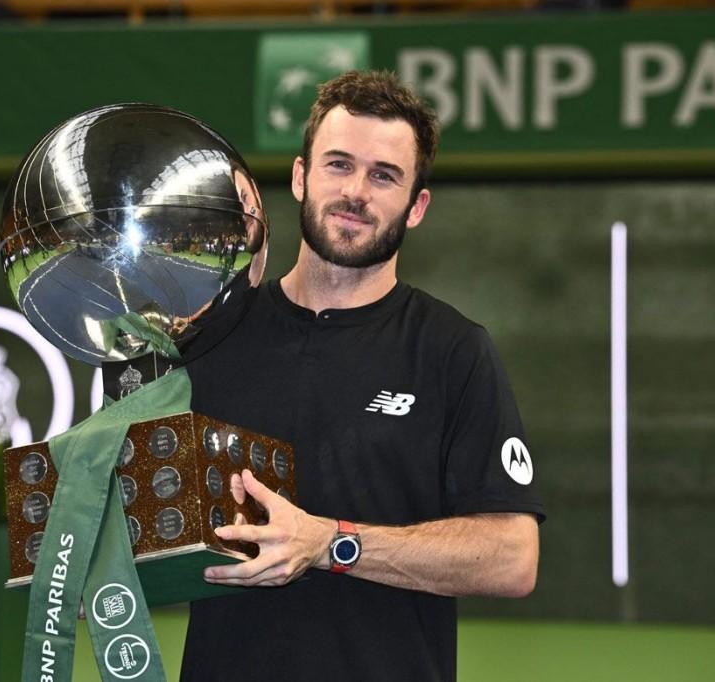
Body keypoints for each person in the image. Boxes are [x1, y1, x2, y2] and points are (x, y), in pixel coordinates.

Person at [181, 70, 544, 682]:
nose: (356, 192)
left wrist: (330, 544)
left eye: (384, 175)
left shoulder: (454, 351)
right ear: (300, 177)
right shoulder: (212, 336)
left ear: (417, 205)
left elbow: (513, 558)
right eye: (338, 165)